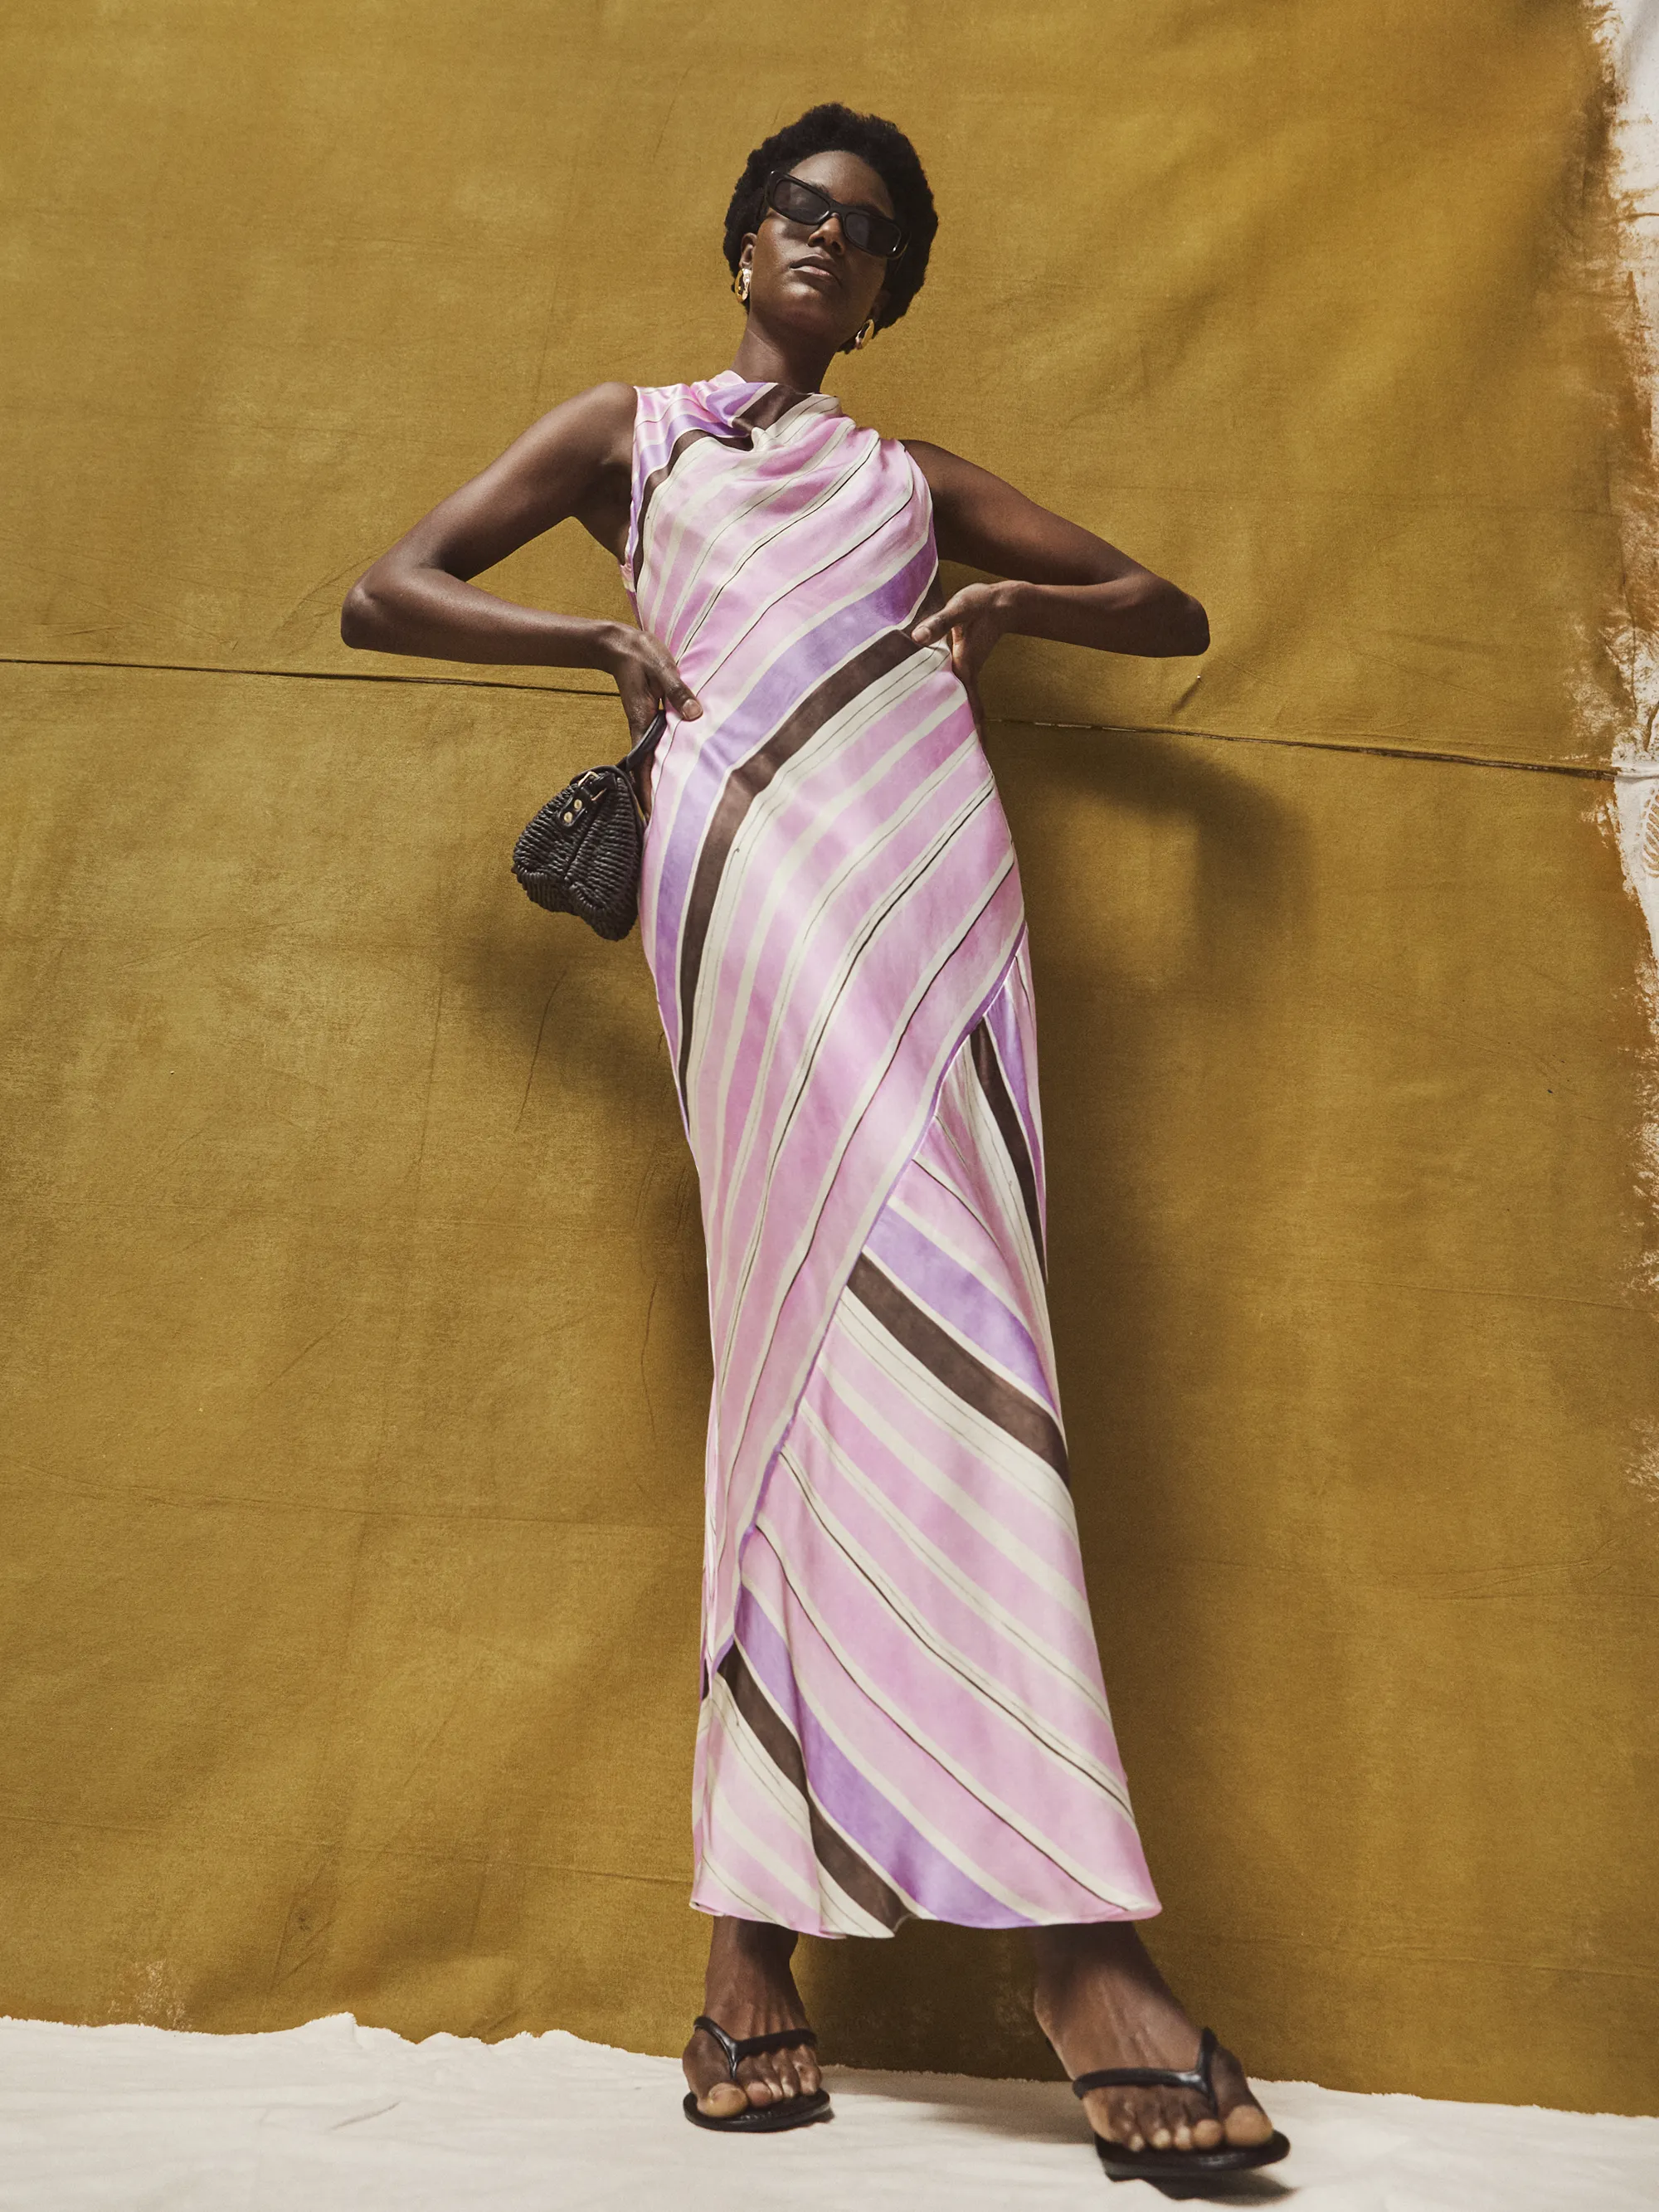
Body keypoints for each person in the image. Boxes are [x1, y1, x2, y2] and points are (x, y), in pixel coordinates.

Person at [343, 102, 1287, 2188]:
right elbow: (383, 594)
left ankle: (751, 1950)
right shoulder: (630, 438)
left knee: (949, 1347)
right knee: (806, 1341)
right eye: (792, 210)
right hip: (750, 876)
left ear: (886, 292)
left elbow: (1167, 607)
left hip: (932, 872)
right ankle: (1069, 1941)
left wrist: (1010, 605)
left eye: (863, 232)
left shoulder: (911, 481)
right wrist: (591, 638)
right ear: (739, 241)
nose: (820, 239)